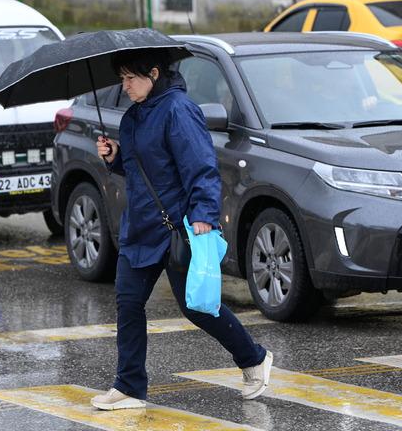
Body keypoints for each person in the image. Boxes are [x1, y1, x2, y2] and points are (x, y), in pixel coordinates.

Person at [92, 49, 273, 410]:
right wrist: (115, 158)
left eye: (131, 78)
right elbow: (144, 171)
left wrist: (205, 213)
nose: (124, 86)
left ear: (154, 73)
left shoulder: (178, 110)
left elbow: (201, 165)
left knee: (197, 307)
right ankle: (129, 387)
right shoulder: (132, 117)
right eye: (122, 78)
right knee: (128, 304)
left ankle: (253, 359)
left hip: (174, 227)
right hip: (140, 227)